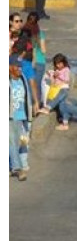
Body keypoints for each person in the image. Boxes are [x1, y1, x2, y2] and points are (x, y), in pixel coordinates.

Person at [9, 53, 32, 181]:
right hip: (10, 117)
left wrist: (29, 114)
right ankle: (17, 169)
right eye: (17, 67)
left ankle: (16, 165)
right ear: (9, 66)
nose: (20, 69)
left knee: (22, 142)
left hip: (22, 116)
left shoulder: (22, 77)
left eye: (20, 66)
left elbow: (26, 95)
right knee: (12, 142)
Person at [22, 12, 47, 103]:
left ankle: (29, 106)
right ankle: (38, 107)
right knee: (37, 85)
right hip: (40, 62)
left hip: (27, 62)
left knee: (28, 85)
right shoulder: (40, 33)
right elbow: (44, 50)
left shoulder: (23, 32)